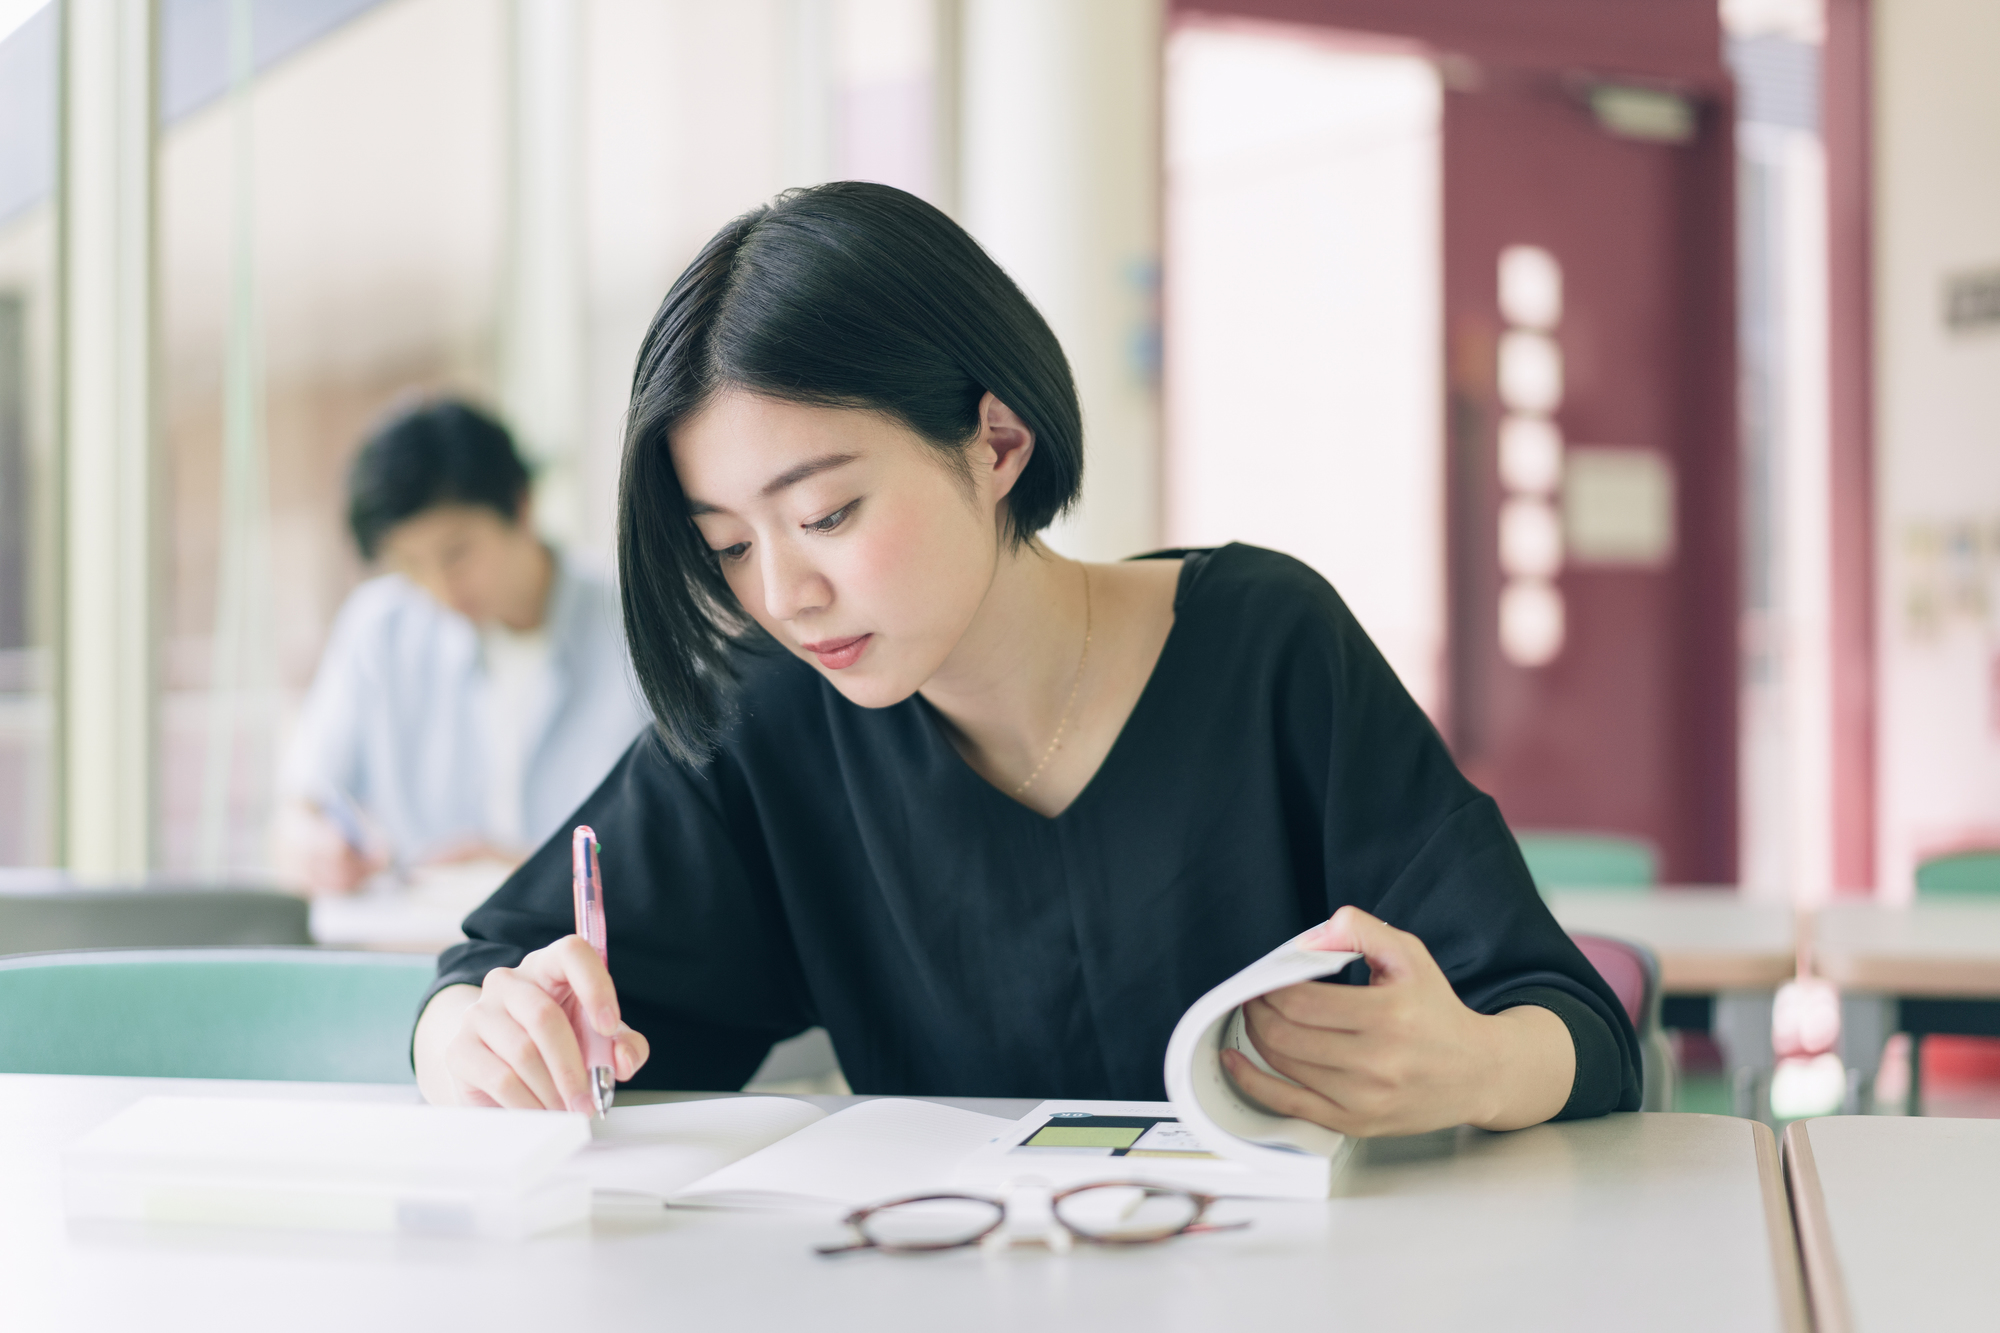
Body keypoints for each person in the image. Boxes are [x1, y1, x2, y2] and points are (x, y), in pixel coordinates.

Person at [412, 183, 1640, 1135]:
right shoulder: (772, 716)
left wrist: (1470, 1064)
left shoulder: (1264, 646)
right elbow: (490, 969)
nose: (782, 594)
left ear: (995, 441)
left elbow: (1574, 1025)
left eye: (828, 514)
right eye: (727, 545)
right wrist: (479, 1033)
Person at [277, 399, 649, 893]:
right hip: (413, 953)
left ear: (521, 507)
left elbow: (682, 846)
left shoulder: (640, 626)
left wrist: (534, 873)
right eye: (410, 565)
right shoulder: (381, 629)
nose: (440, 589)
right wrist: (318, 847)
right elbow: (299, 810)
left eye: (457, 554)